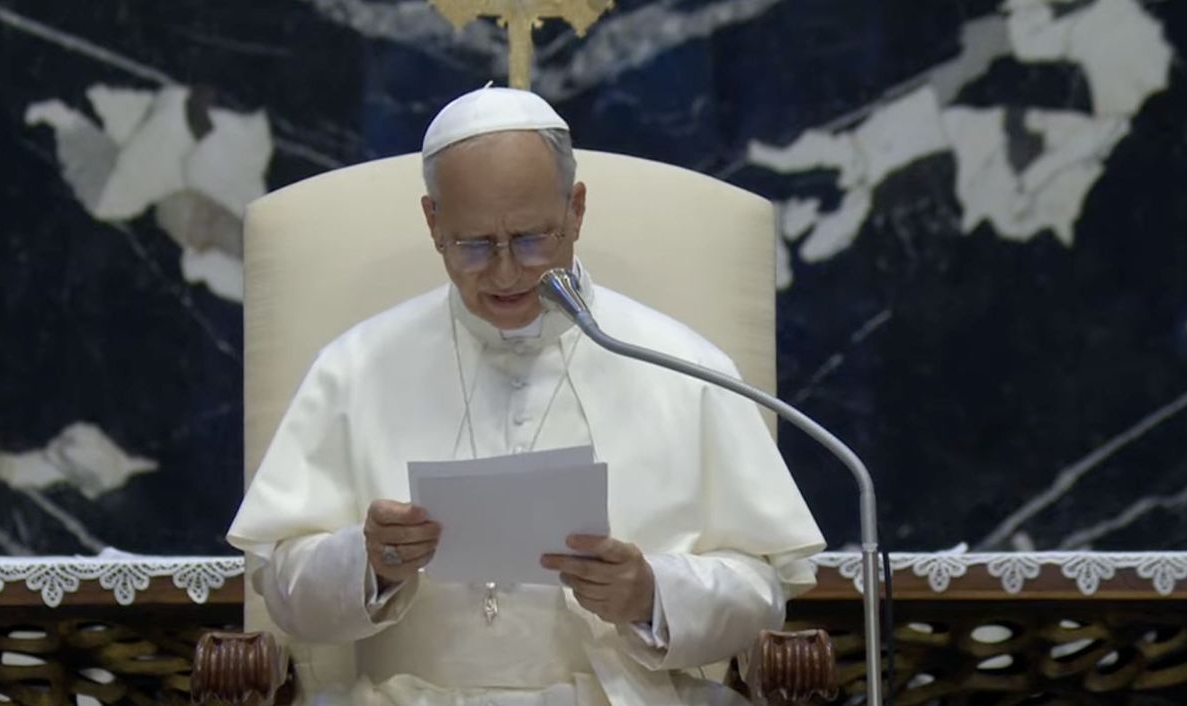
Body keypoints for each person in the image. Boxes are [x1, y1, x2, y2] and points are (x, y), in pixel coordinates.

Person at [227, 86, 825, 706]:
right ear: (434, 222)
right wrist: (371, 563)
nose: (508, 272)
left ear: (577, 210)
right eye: (475, 245)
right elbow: (283, 583)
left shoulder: (682, 365)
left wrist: (651, 594)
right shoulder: (354, 368)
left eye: (532, 239)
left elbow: (763, 590)